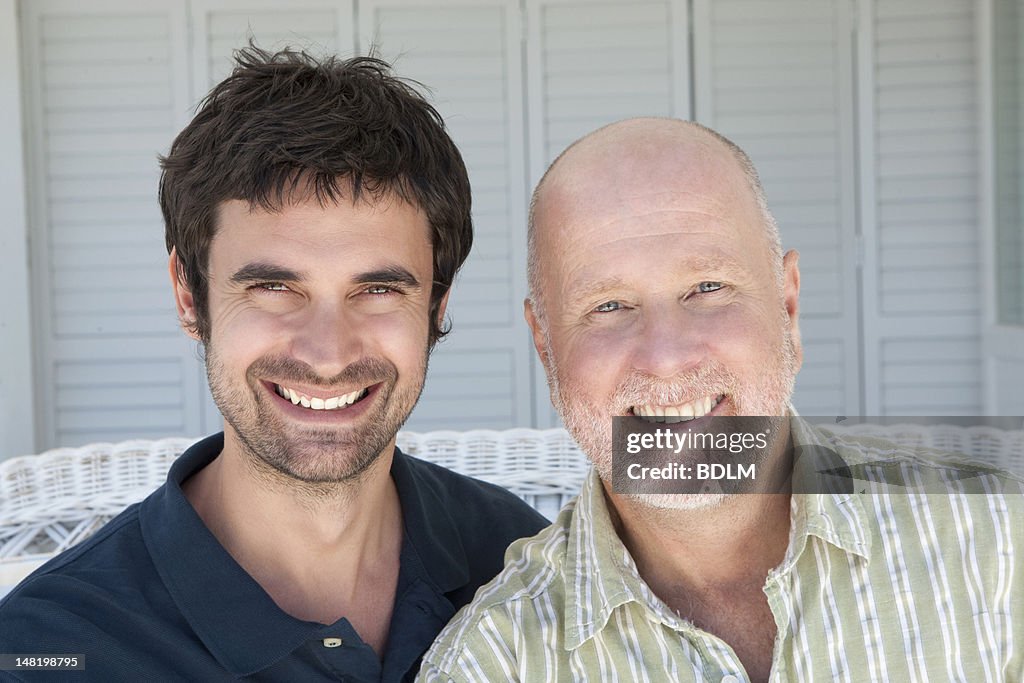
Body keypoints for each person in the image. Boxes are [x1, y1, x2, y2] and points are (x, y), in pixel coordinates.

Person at [0, 46, 546, 682]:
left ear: (437, 303)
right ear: (188, 294)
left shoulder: (522, 561)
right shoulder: (52, 649)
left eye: (378, 290)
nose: (328, 352)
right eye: (273, 288)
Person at [418, 118, 1024, 682]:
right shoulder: (493, 663)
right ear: (546, 348)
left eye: (708, 287)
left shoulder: (998, 541)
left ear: (788, 309)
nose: (666, 357)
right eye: (608, 306)